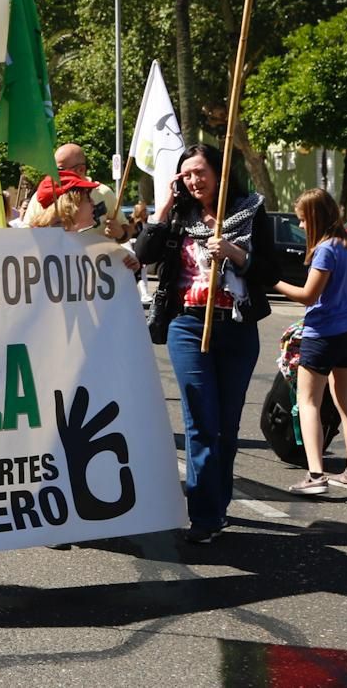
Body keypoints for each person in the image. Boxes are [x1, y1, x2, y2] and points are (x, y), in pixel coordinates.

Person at [133, 144, 276, 544]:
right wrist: (163, 210)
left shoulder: (250, 211)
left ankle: (217, 505)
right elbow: (144, 255)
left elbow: (270, 269)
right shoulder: (180, 216)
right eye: (187, 174)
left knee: (226, 426)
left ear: (220, 173)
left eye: (200, 172)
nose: (194, 181)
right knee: (200, 421)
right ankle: (204, 516)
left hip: (235, 325)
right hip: (186, 324)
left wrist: (236, 254)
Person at [274, 188, 347, 496]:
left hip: (322, 335)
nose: (301, 226)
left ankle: (316, 475)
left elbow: (308, 295)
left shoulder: (326, 249)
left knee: (308, 402)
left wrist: (271, 282)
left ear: (316, 217)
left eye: (303, 220)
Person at [23, 144, 131, 243]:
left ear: (81, 169)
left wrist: (121, 233)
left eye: (60, 169)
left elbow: (126, 229)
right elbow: (26, 235)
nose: (55, 174)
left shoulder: (103, 193)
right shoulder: (41, 194)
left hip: (96, 262)